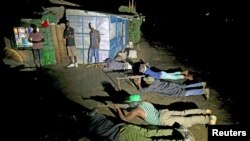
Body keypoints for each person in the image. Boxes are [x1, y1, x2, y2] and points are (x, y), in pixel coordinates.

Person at [85, 108, 195, 141]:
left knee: (152, 135)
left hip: (124, 133)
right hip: (126, 132)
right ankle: (180, 136)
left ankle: (180, 135)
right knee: (152, 134)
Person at [115, 94, 217, 128]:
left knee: (187, 121)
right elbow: (146, 107)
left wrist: (118, 109)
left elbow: (124, 119)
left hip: (162, 120)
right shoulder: (144, 102)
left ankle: (208, 119)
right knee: (184, 112)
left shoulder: (137, 111)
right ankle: (204, 111)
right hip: (164, 112)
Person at [134, 76, 210, 100]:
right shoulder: (156, 80)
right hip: (173, 85)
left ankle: (203, 91)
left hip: (172, 91)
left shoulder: (151, 87)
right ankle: (201, 83)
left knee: (187, 92)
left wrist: (138, 84)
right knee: (186, 86)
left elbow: (142, 91)